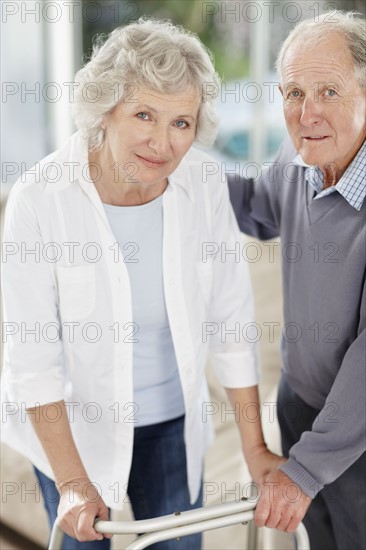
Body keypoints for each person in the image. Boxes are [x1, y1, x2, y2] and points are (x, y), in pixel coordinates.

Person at [1, 18, 282, 549]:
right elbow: (33, 363)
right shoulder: (39, 198)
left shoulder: (203, 182)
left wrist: (255, 448)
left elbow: (232, 321)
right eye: (144, 115)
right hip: (71, 434)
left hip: (172, 424)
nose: (162, 142)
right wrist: (73, 482)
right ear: (104, 111)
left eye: (182, 123)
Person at [227, 10, 366, 550]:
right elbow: (262, 208)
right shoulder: (304, 154)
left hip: (354, 432)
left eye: (329, 90)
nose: (307, 113)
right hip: (299, 402)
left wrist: (306, 469)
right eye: (292, 92)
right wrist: (180, 167)